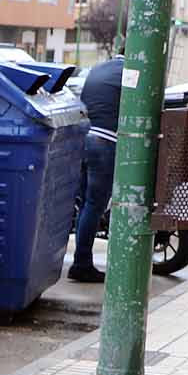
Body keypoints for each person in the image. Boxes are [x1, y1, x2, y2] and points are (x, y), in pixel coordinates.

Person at [70, 54, 124, 283]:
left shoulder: (98, 68)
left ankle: (79, 261)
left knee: (85, 204)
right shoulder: (129, 72)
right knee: (94, 205)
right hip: (104, 142)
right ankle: (81, 264)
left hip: (84, 137)